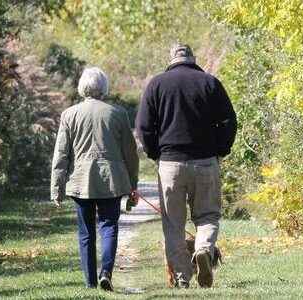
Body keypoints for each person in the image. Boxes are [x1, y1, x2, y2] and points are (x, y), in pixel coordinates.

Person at [136, 43, 237, 288]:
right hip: (205, 162)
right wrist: (220, 149)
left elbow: (144, 127)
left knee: (173, 223)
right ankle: (203, 249)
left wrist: (155, 154)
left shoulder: (157, 84)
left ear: (171, 60)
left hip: (170, 163)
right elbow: (229, 121)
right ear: (193, 59)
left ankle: (182, 279)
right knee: (208, 215)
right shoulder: (210, 83)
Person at [50, 67, 139, 291]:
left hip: (81, 181)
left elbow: (61, 154)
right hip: (111, 181)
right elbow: (131, 153)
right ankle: (106, 272)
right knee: (109, 226)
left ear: (82, 87)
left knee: (86, 232)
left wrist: (57, 187)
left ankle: (90, 283)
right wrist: (133, 184)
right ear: (104, 87)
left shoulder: (69, 114)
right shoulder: (117, 114)